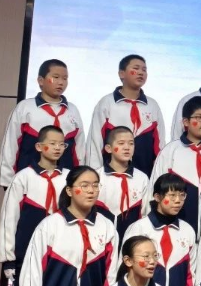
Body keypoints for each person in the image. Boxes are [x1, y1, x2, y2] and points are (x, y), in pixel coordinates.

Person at [0, 125, 70, 286]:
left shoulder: (69, 178)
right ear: (39, 146)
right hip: (26, 255)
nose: (58, 148)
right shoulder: (24, 177)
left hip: (59, 255)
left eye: (62, 144)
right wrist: (8, 257)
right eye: (53, 143)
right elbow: (9, 219)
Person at [151, 96, 201, 237]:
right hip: (176, 231)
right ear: (186, 122)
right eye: (199, 117)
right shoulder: (170, 151)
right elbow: (155, 189)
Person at [0, 59, 85, 188]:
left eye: (65, 78)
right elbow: (10, 146)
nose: (61, 82)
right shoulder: (25, 108)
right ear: (41, 80)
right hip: (29, 181)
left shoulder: (72, 110)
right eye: (55, 77)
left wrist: (80, 179)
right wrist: (7, 181)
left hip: (64, 182)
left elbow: (79, 150)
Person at [122, 172, 197, 286]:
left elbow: (191, 273)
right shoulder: (139, 228)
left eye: (182, 195)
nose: (178, 200)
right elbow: (125, 269)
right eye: (172, 195)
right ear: (157, 197)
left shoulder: (187, 230)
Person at [85, 54, 165, 175]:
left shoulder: (152, 105)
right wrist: (94, 175)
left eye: (144, 70)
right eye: (136, 68)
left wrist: (160, 175)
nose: (141, 73)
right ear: (122, 74)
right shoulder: (107, 103)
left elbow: (160, 144)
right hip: (110, 175)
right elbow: (95, 142)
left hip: (145, 174)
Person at [96, 126, 151, 241]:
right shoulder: (97, 176)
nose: (127, 147)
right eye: (121, 143)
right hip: (100, 236)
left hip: (132, 239)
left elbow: (146, 212)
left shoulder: (142, 178)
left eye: (131, 143)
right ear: (108, 148)